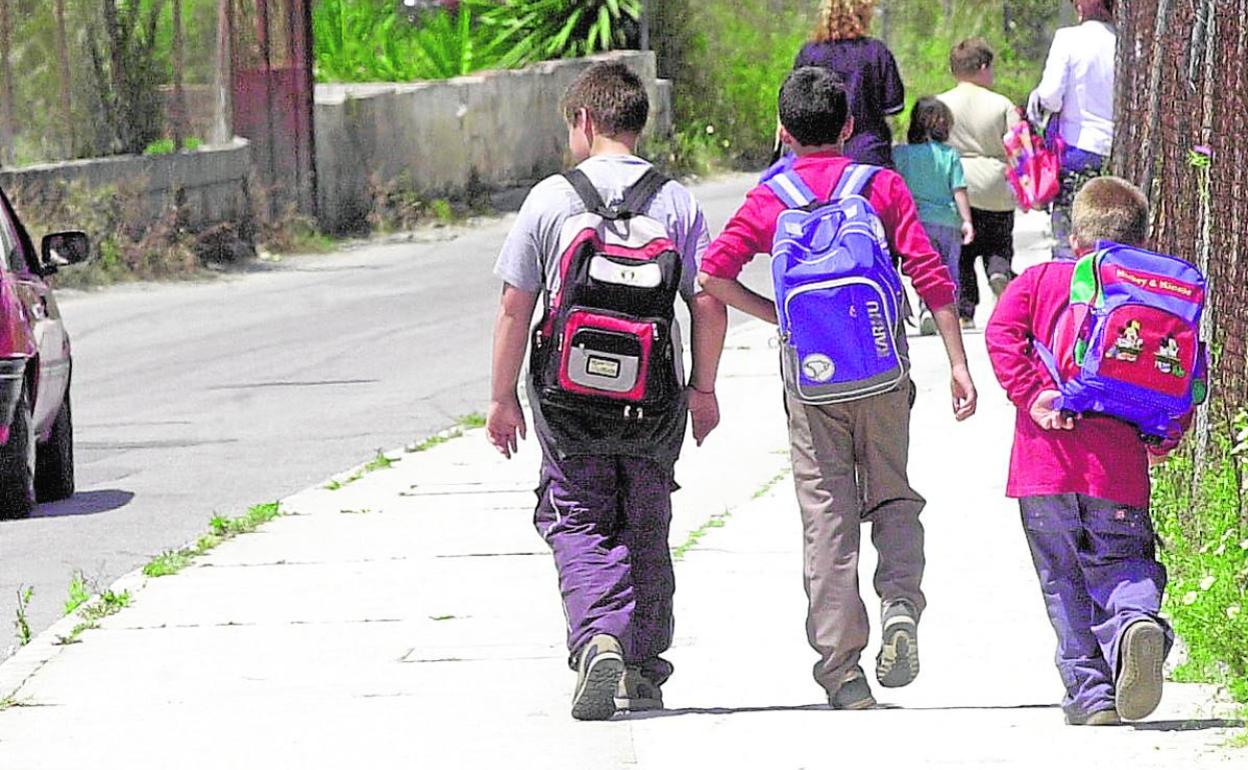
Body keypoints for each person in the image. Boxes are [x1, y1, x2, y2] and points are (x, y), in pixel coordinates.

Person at [698, 67, 977, 709]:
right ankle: (900, 603)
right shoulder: (879, 186)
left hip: (812, 380)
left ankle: (843, 671)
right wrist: (958, 363)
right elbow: (929, 273)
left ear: (783, 130)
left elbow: (713, 275)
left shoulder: (769, 198)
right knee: (893, 493)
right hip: (882, 368)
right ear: (849, 127)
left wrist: (780, 315)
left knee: (827, 513)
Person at [486, 62, 728, 721]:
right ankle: (643, 669)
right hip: (654, 399)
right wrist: (703, 389)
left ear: (584, 120)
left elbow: (515, 306)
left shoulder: (550, 199)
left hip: (568, 400)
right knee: (646, 517)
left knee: (578, 515)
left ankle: (598, 637)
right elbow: (708, 303)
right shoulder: (676, 202)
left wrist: (502, 398)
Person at [984, 177, 1178, 726]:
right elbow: (1180, 371)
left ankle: (1091, 694)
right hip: (1117, 467)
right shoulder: (1154, 295)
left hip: (1043, 466)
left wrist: (1034, 394)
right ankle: (1134, 620)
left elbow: (1000, 335)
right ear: (1142, 242)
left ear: (1074, 238)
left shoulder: (1039, 280)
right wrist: (1165, 435)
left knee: (1061, 578)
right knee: (1123, 561)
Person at [937, 38, 1024, 328]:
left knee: (962, 253)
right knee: (998, 241)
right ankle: (999, 271)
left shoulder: (941, 104)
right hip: (995, 184)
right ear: (984, 67)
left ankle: (965, 310)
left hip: (955, 185)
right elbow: (1018, 148)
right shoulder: (1002, 104)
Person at [1028, 0, 1116, 259]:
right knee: (1105, 230)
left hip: (1078, 148)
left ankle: (1068, 278)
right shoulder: (1122, 41)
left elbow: (1051, 96)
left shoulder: (1068, 39)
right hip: (1113, 149)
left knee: (1070, 234)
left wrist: (1037, 99)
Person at [893, 97, 976, 335]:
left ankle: (926, 309)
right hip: (948, 221)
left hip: (917, 222)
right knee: (949, 270)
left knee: (926, 269)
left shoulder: (900, 154)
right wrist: (967, 221)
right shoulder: (949, 155)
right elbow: (958, 189)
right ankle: (948, 312)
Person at [792, 0, 905, 167]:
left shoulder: (810, 54)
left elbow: (795, 105)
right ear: (863, 13)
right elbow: (894, 105)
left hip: (817, 159)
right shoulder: (876, 52)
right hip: (868, 155)